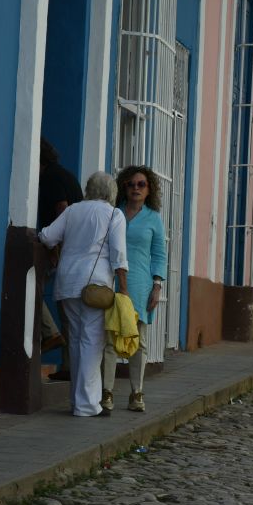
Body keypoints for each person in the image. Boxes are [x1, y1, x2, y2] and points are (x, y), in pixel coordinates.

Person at [38, 172, 128, 417]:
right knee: (91, 343)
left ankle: (79, 402)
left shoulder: (73, 211)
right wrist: (124, 289)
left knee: (77, 342)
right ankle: (88, 405)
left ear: (89, 189)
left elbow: (46, 236)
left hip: (67, 284)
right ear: (112, 193)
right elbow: (118, 254)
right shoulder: (114, 214)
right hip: (96, 287)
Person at [100, 166, 166, 414]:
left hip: (140, 284)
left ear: (149, 190)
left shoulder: (153, 219)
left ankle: (136, 393)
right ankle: (106, 393)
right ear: (123, 188)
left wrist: (157, 285)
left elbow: (159, 254)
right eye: (131, 184)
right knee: (108, 339)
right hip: (111, 282)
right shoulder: (113, 214)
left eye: (141, 184)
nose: (136, 188)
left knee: (138, 340)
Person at [37, 138, 85, 371]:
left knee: (31, 290)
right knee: (68, 312)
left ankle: (50, 333)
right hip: (76, 250)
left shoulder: (50, 178)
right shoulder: (65, 175)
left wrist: (55, 247)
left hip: (61, 248)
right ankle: (68, 367)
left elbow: (62, 209)